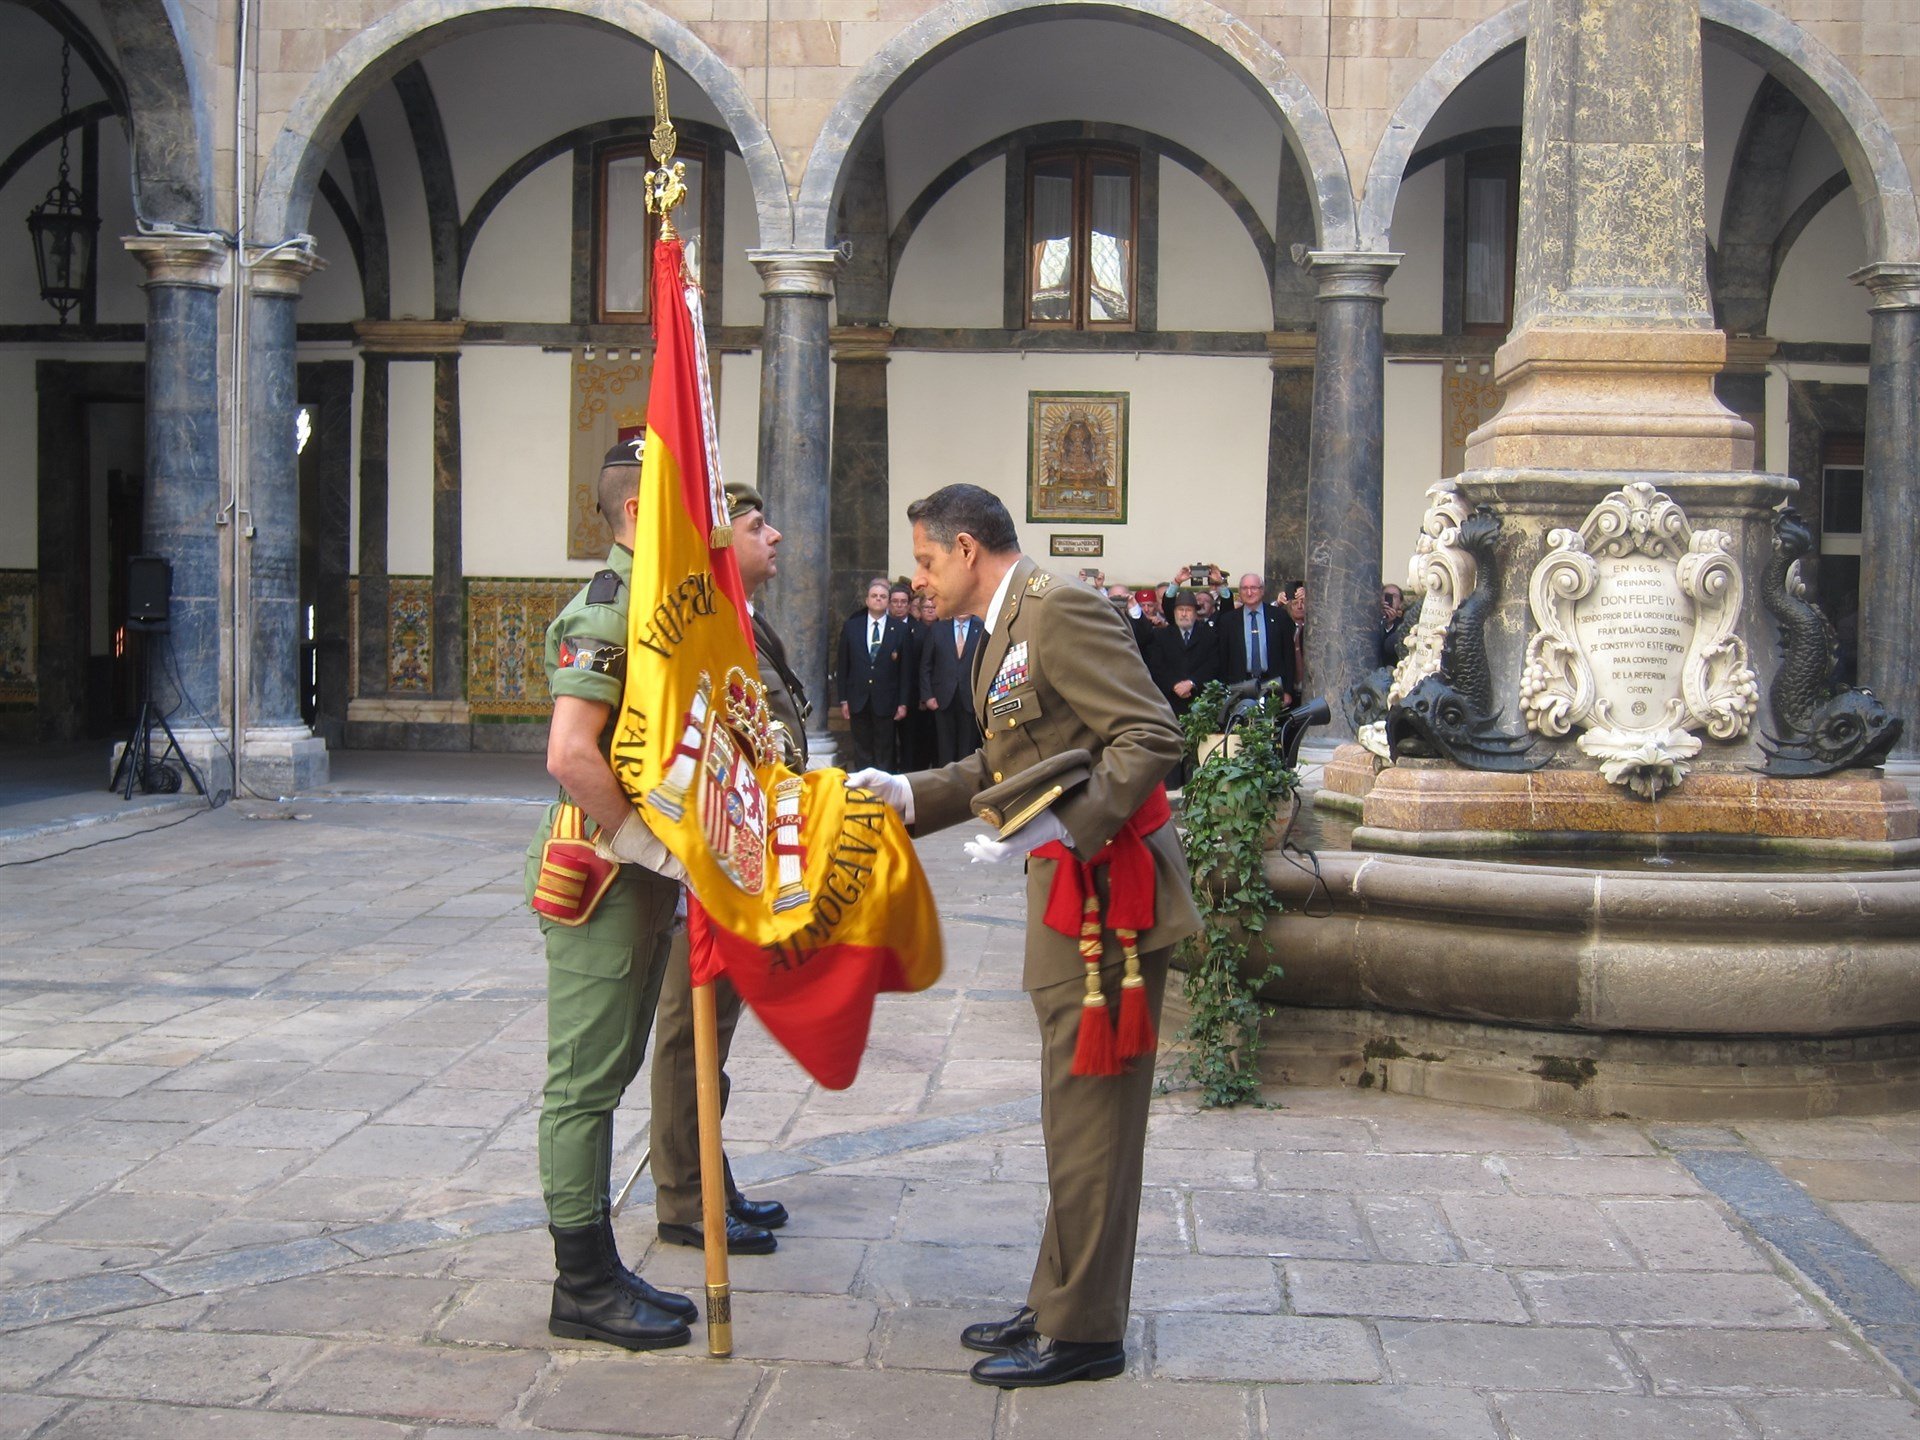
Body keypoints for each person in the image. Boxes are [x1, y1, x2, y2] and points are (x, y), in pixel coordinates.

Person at [848, 483, 1201, 1389]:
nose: (918, 580)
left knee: (1093, 1119)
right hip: (1071, 896)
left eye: (926, 562)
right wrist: (909, 794)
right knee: (1070, 1112)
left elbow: (1148, 733)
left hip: (1108, 893)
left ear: (967, 549)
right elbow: (1006, 762)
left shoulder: (1059, 611)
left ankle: (1085, 1331)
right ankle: (1057, 1298)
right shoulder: (1007, 627)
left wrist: (1067, 825)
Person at [524, 439, 694, 1351]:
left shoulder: (658, 603)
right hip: (602, 879)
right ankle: (580, 1283)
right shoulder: (611, 604)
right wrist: (644, 847)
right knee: (585, 1085)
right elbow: (570, 753)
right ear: (635, 512)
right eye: (679, 505)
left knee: (614, 1071)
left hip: (639, 880)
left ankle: (598, 1265)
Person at [647, 481, 801, 1260]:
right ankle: (683, 1200)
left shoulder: (748, 621)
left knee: (718, 1031)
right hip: (707, 862)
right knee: (689, 1033)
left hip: (749, 860)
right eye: (755, 525)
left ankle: (712, 1177)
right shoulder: (699, 630)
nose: (773, 536)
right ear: (718, 542)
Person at [834, 577, 911, 769]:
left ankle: (883, 792)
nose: (878, 599)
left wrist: (903, 702)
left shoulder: (900, 630)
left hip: (887, 700)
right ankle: (864, 790)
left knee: (885, 748)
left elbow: (905, 671)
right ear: (867, 600)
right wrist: (843, 699)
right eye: (874, 596)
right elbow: (843, 665)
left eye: (883, 596)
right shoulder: (852, 627)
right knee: (861, 748)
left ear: (888, 601)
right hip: (858, 699)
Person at [919, 606, 984, 763]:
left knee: (967, 748)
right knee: (945, 747)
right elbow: (926, 665)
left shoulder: (982, 628)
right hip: (942, 698)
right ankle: (946, 784)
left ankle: (966, 784)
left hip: (971, 698)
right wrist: (927, 695)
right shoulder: (938, 629)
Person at [1146, 591, 1221, 718]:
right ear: (1174, 612)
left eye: (1188, 610)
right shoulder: (1161, 636)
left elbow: (1213, 665)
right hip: (1168, 703)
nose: (1184, 614)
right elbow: (1156, 666)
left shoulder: (1209, 636)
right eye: (1180, 610)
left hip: (1200, 701)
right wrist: (1174, 685)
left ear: (1195, 613)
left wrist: (1192, 683)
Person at [1223, 572, 1294, 701]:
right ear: (1239, 592)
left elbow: (1288, 655)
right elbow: (1223, 658)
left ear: (1262, 591)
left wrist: (1288, 690)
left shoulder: (1279, 617)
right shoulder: (1229, 620)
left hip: (1273, 685)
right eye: (1245, 588)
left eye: (1254, 588)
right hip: (1240, 687)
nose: (1249, 593)